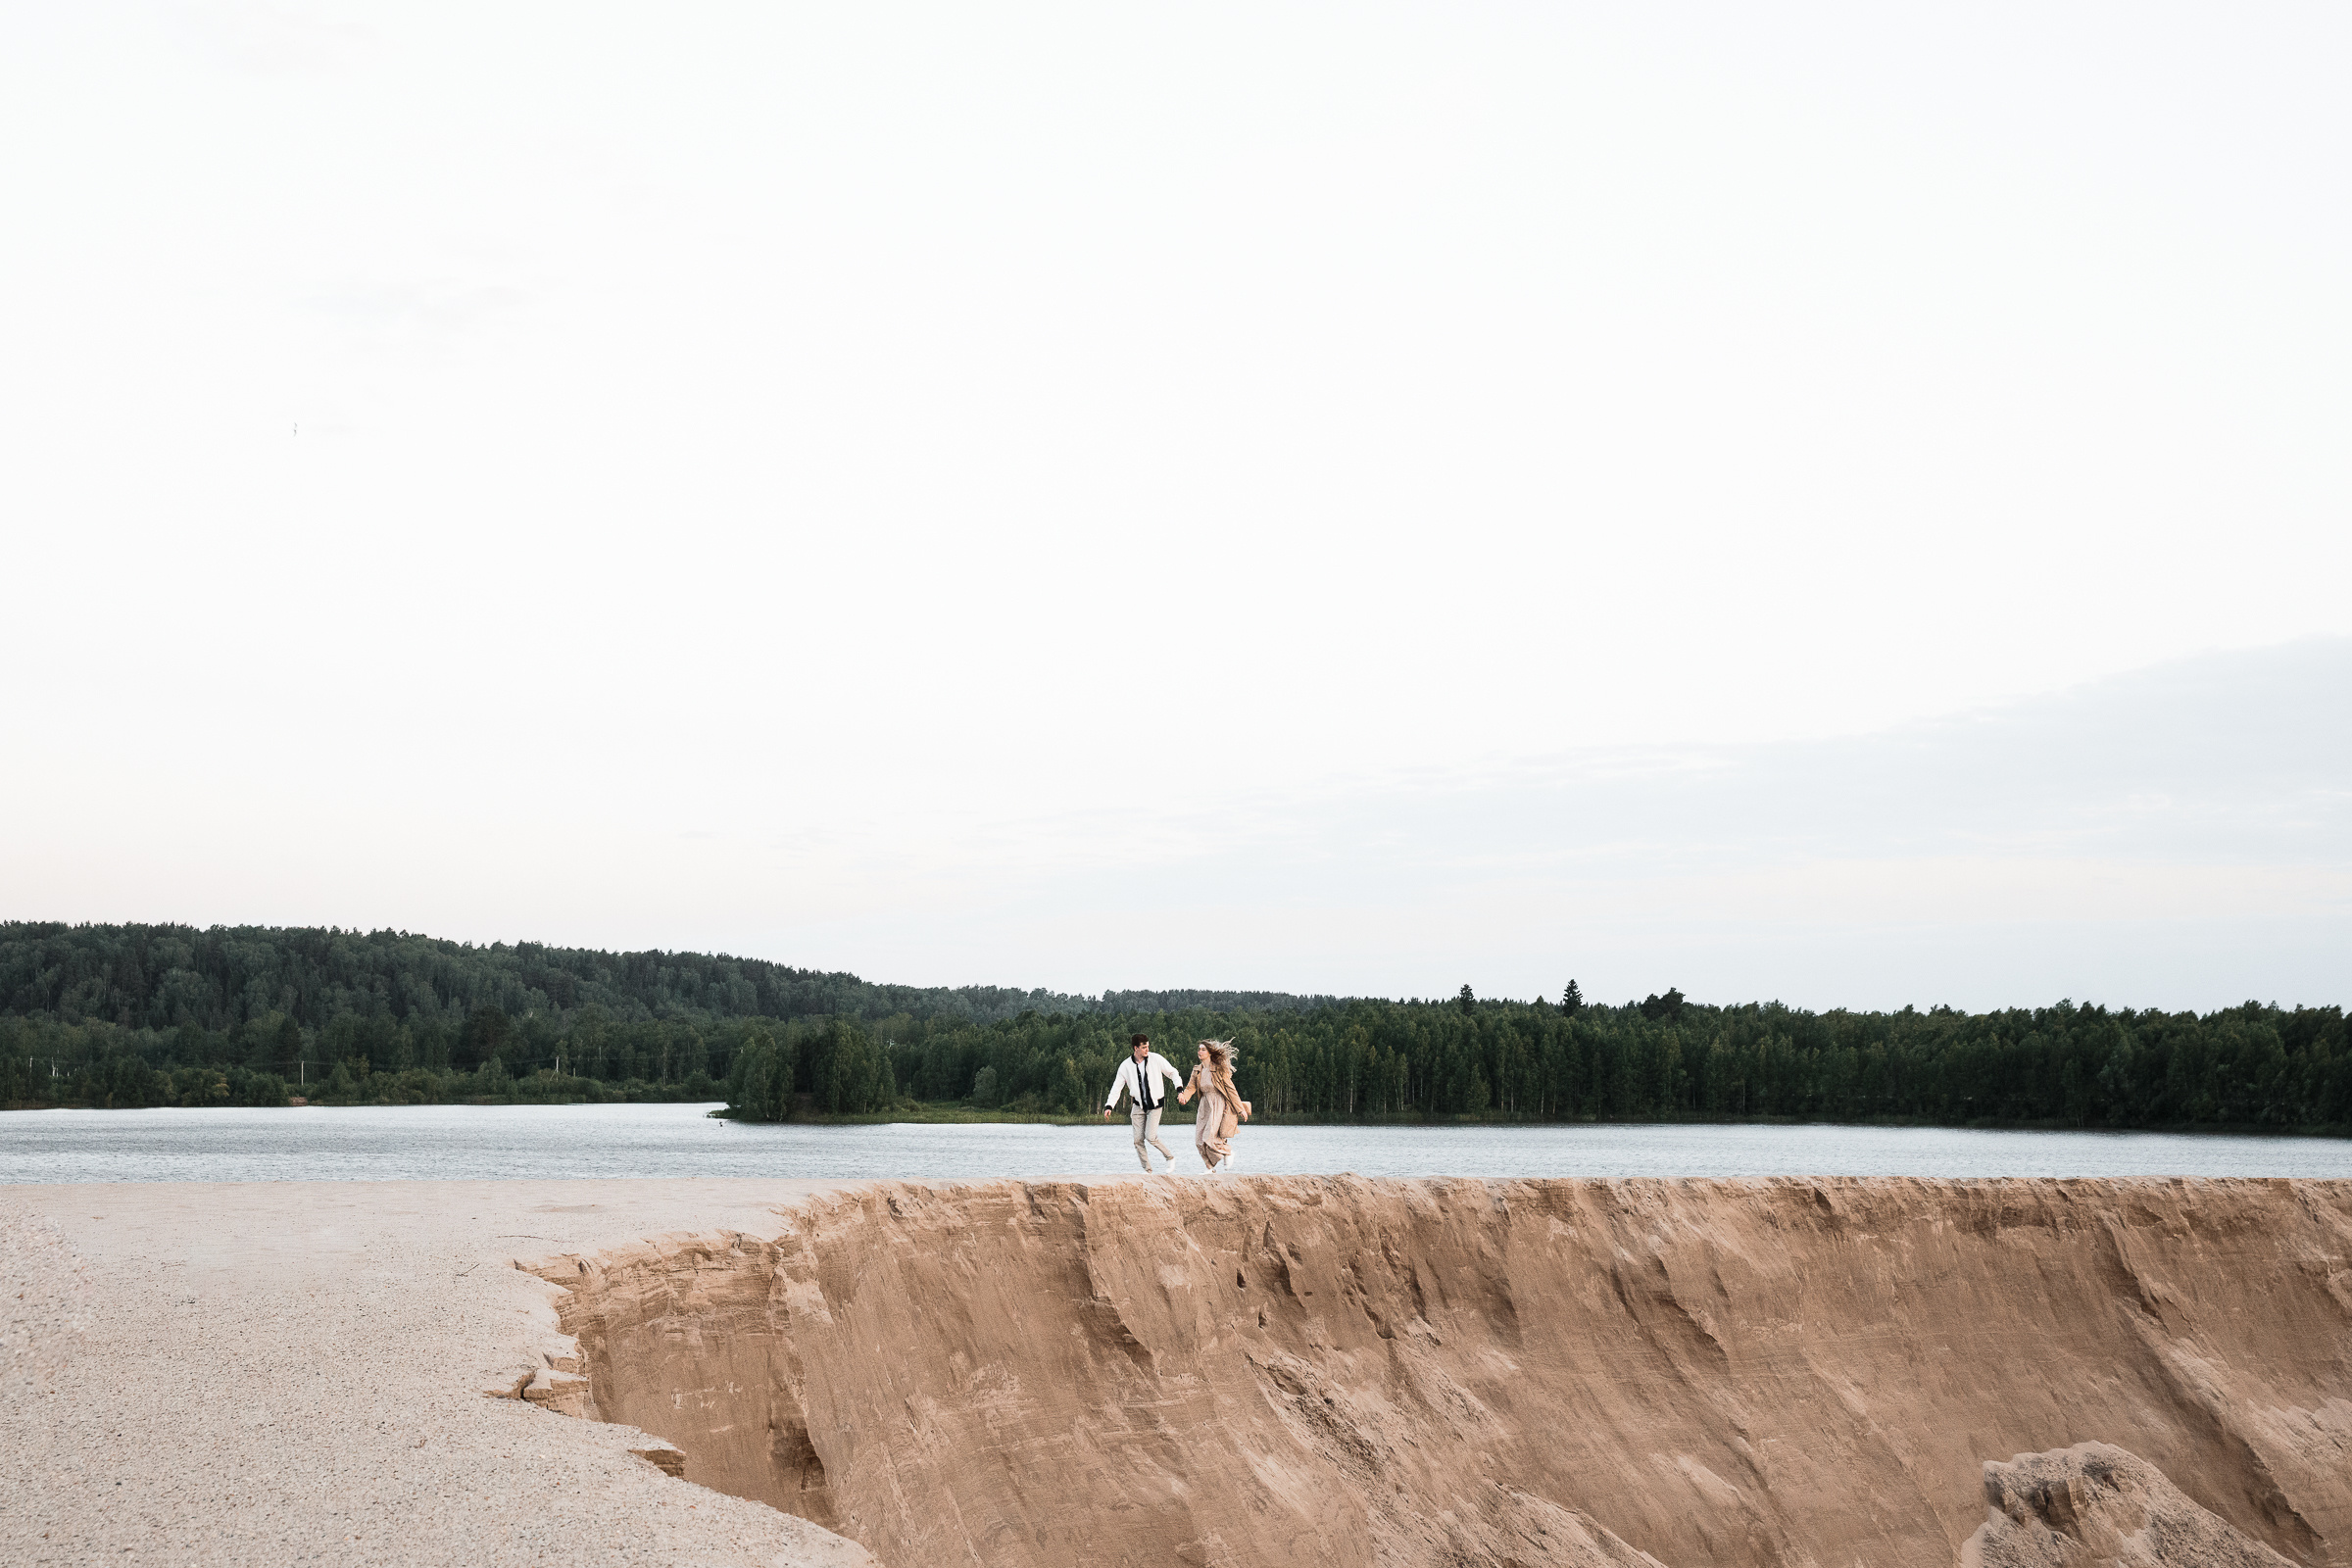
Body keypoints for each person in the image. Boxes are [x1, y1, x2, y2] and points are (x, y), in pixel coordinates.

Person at [1102, 1033, 1183, 1172]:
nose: (1147, 1049)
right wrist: (1109, 1105)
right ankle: (1148, 1171)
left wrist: (1179, 1089)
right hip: (1138, 1106)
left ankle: (1170, 1157)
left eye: (1148, 1047)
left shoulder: (1156, 1059)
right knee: (1137, 1140)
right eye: (1144, 1047)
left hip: (1155, 1105)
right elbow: (1117, 1087)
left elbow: (1173, 1073)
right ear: (1136, 1048)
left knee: (1150, 1137)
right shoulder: (1125, 1066)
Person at [1176, 1039, 1250, 1172]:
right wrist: (1184, 1097)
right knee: (1199, 1140)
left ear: (1210, 1053)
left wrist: (1240, 1109)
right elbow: (1190, 1087)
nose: (1200, 1051)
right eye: (1199, 1049)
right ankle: (1209, 1168)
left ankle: (1228, 1153)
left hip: (1218, 1103)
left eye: (1203, 1049)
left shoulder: (1218, 1069)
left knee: (1209, 1137)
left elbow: (1230, 1089)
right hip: (1204, 1104)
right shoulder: (1197, 1070)